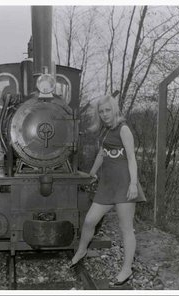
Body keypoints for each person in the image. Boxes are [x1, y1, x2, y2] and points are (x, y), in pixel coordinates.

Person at [70, 94, 146, 286]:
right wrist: (92, 173)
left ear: (115, 110)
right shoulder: (104, 132)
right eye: (101, 111)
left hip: (124, 185)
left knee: (126, 228)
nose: (104, 114)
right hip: (106, 185)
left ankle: (127, 268)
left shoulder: (124, 129)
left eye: (107, 110)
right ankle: (82, 249)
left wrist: (133, 184)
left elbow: (131, 158)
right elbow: (102, 155)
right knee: (89, 221)